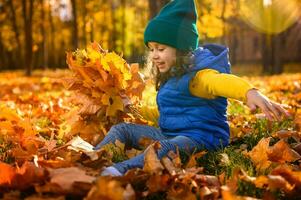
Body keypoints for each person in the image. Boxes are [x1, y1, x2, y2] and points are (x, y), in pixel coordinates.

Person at [93, 0, 289, 176]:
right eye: (151, 49)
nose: (154, 55)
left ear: (182, 50)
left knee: (164, 147)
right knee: (122, 130)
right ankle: (90, 158)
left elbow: (222, 82)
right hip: (170, 133)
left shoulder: (199, 76)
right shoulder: (171, 75)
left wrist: (249, 92)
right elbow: (174, 109)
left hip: (203, 139)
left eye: (161, 49)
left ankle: (116, 171)